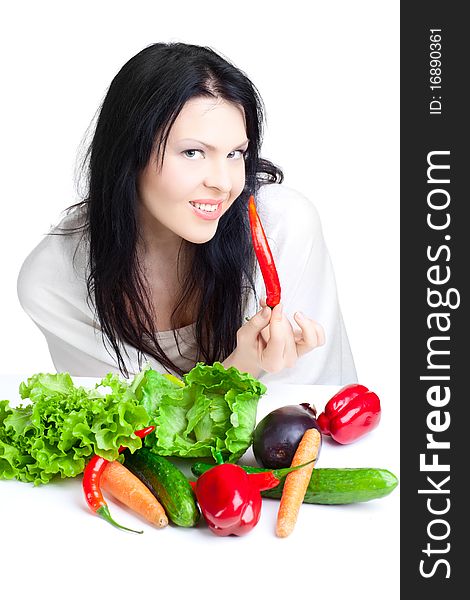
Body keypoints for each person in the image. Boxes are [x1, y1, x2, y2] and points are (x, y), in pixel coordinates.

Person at [17, 42, 357, 385]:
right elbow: (138, 430)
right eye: (193, 152)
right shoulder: (54, 279)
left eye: (235, 154)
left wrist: (257, 364)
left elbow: (315, 418)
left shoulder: (282, 226)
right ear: (128, 154)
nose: (224, 184)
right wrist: (242, 366)